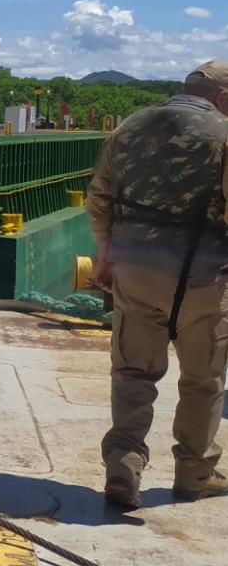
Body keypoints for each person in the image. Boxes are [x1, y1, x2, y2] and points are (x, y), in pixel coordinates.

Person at [87, 59, 228, 510]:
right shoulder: (224, 134)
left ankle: (124, 462)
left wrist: (105, 257)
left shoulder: (129, 127)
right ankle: (195, 472)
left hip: (135, 269)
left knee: (132, 372)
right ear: (223, 98)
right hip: (205, 277)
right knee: (203, 380)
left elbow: (100, 198)